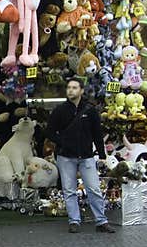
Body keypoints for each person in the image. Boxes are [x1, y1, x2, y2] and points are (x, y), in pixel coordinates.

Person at [44, 78, 114, 233]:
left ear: (81, 90)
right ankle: (74, 221)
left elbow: (97, 133)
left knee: (94, 189)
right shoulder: (60, 110)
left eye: (74, 87)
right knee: (69, 190)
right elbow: (49, 131)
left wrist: (102, 154)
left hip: (87, 156)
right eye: (69, 87)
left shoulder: (90, 110)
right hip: (65, 156)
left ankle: (101, 221)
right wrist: (61, 141)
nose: (71, 90)